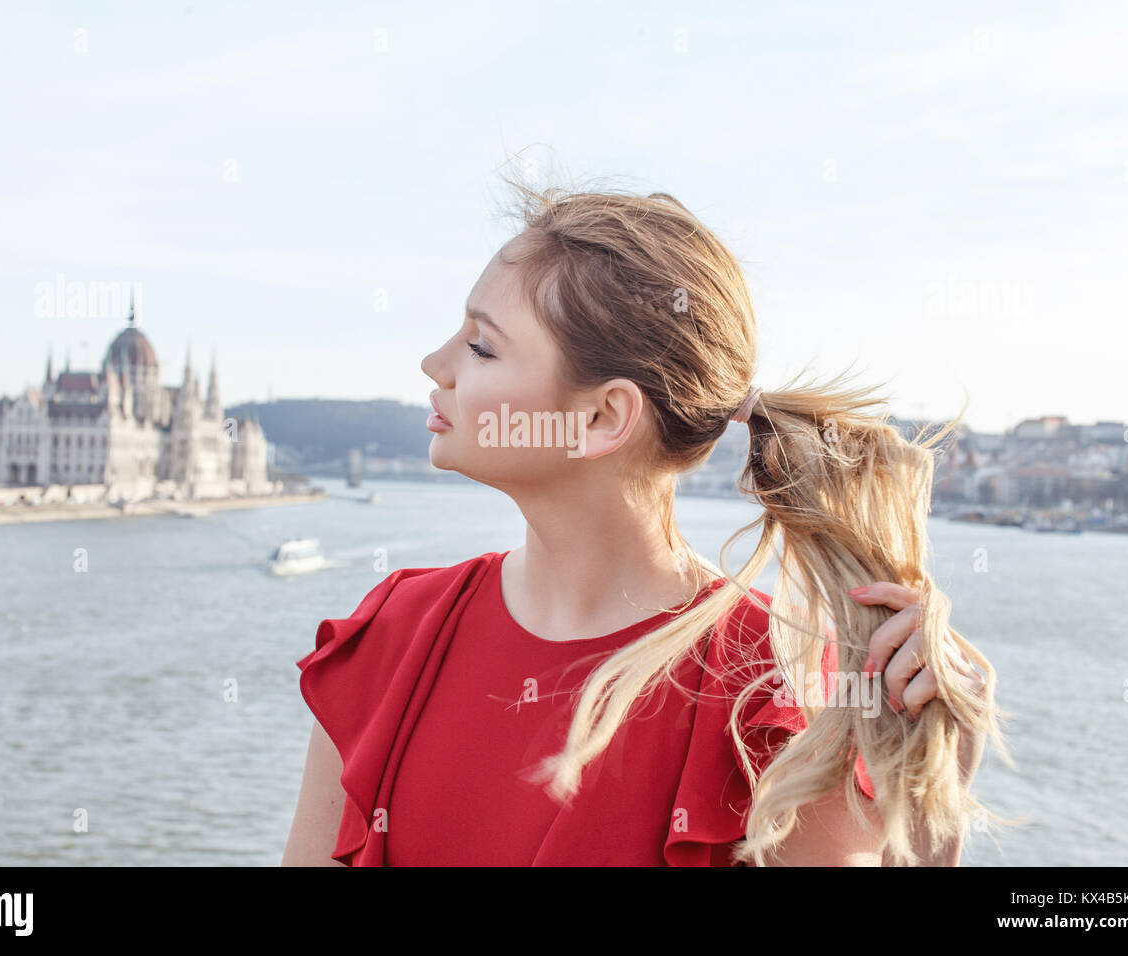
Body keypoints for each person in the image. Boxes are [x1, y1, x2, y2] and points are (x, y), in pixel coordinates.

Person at [283, 174, 1013, 867]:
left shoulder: (776, 688)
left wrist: (929, 794)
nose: (433, 363)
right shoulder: (387, 637)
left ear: (603, 417)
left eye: (481, 344)